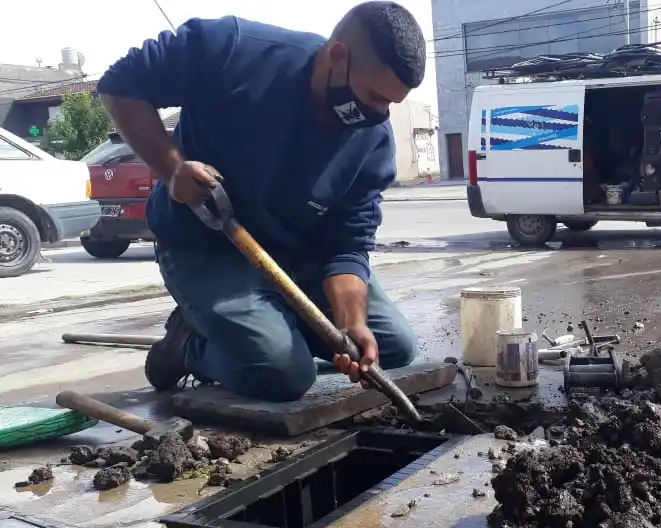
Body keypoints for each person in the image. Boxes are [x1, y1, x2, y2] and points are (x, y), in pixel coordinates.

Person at [96, 1, 426, 401]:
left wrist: (350, 321)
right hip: (207, 248)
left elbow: (347, 244)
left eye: (391, 103)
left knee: (391, 348)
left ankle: (274, 330)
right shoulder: (233, 50)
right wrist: (172, 170)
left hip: (296, 256)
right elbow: (120, 83)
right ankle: (189, 347)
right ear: (338, 56)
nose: (379, 114)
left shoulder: (372, 142)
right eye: (374, 96)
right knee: (284, 376)